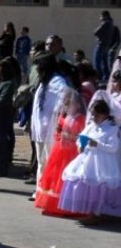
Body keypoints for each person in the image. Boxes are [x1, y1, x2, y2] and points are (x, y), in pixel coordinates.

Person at [59, 95, 121, 223]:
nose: (93, 118)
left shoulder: (112, 128)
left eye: (96, 115)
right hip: (87, 159)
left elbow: (113, 148)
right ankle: (91, 211)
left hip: (103, 163)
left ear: (104, 114)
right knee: (85, 183)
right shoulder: (92, 125)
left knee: (100, 185)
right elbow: (81, 137)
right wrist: (80, 144)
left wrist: (97, 144)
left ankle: (98, 213)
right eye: (92, 115)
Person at [33, 88, 87, 217]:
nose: (67, 106)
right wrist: (59, 135)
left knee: (66, 178)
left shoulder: (81, 119)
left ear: (78, 104)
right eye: (66, 104)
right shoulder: (64, 117)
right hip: (60, 150)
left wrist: (71, 138)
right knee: (55, 176)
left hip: (72, 152)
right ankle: (53, 204)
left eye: (70, 104)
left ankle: (66, 206)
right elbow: (58, 131)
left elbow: (83, 136)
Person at [29, 53, 70, 198]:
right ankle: (40, 190)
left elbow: (67, 95)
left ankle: (48, 191)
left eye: (39, 66)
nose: (37, 69)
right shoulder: (43, 81)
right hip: (40, 129)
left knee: (48, 161)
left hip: (50, 129)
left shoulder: (57, 81)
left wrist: (59, 114)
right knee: (41, 161)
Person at [0, 58, 18, 177]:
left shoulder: (8, 84)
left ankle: (1, 168)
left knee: (1, 143)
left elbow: (1, 100)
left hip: (3, 116)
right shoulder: (1, 82)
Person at [93, 11, 114, 82]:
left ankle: (99, 77)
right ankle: (107, 77)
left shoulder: (105, 23)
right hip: (106, 45)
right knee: (104, 62)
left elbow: (96, 32)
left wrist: (100, 36)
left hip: (101, 44)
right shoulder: (111, 24)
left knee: (97, 62)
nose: (100, 18)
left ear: (105, 16)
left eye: (101, 16)